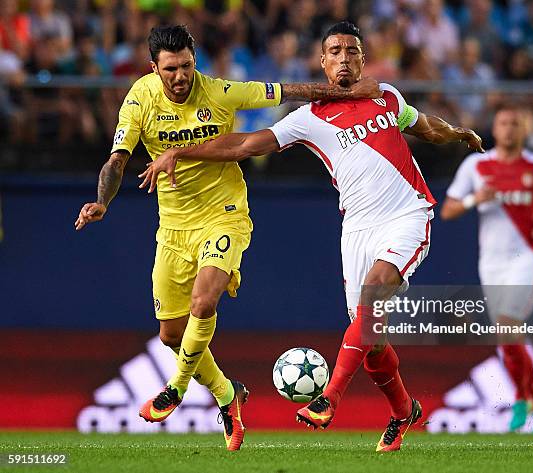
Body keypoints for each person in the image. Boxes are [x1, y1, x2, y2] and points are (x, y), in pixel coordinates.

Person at [139, 21, 483, 452]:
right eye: (334, 51)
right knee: (370, 338)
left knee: (373, 297)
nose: (343, 58)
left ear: (362, 58)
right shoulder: (307, 118)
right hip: (356, 228)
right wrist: (180, 151)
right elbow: (244, 144)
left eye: (351, 51)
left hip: (406, 214)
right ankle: (402, 410)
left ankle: (328, 399)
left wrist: (457, 133)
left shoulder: (387, 96)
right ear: (322, 62)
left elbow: (425, 125)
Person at [74, 24, 380, 451]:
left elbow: (289, 90)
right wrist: (102, 201)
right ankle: (227, 395)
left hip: (225, 216)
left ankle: (175, 387)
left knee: (204, 300)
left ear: (194, 61)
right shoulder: (140, 99)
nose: (180, 77)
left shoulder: (220, 91)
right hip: (174, 229)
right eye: (170, 70)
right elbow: (117, 160)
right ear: (154, 69)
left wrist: (350, 92)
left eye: (185, 66)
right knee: (170, 335)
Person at [440, 103, 533, 433]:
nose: (509, 129)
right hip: (492, 262)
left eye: (516, 123)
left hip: (528, 257)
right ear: (494, 129)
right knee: (506, 334)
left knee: (508, 324)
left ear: (524, 129)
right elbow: (449, 210)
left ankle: (529, 400)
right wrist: (475, 200)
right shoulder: (476, 165)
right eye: (503, 123)